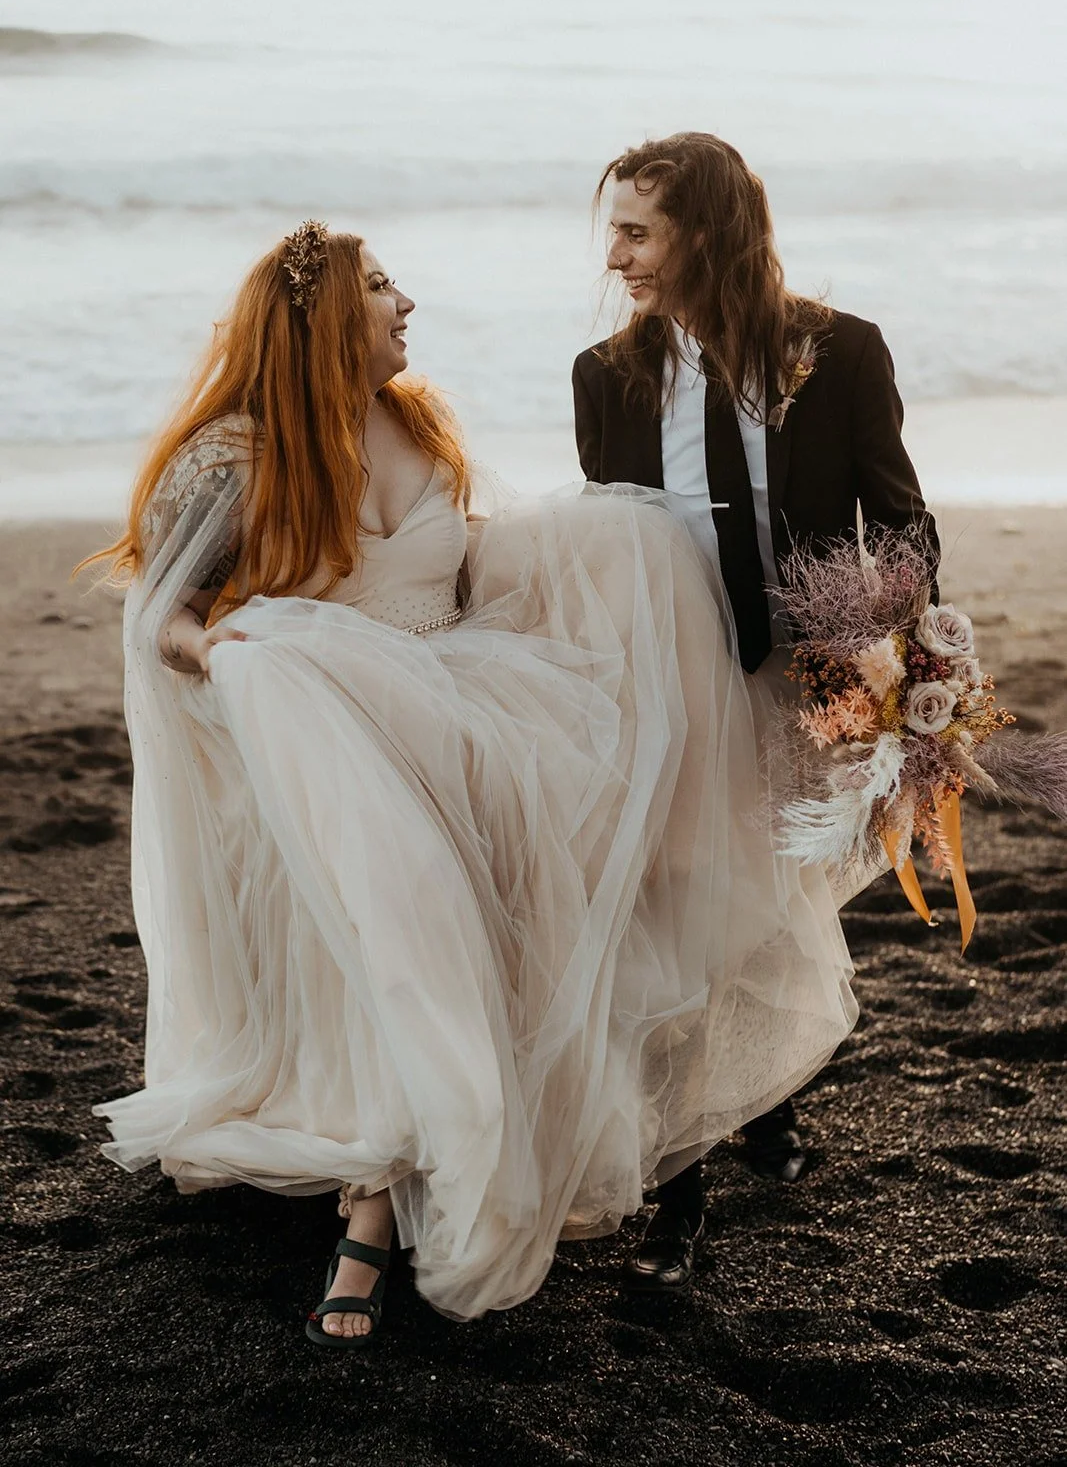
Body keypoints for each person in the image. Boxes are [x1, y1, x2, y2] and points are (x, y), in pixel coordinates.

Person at [87, 220, 858, 1347]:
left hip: (470, 698)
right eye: (384, 286)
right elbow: (163, 618)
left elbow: (469, 555)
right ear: (319, 316)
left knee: (605, 653)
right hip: (328, 724)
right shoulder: (233, 456)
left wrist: (606, 550)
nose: (409, 304)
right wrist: (242, 658)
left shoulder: (415, 418)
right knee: (402, 862)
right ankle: (370, 1204)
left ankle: (433, 1159)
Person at [574, 131, 939, 1292]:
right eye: (613, 230)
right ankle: (676, 1193)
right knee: (675, 914)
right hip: (669, 690)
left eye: (636, 230)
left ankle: (767, 1100)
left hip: (802, 686)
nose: (615, 256)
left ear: (708, 233)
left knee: (770, 903)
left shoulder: (840, 353)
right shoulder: (604, 376)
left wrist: (878, 630)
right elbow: (603, 551)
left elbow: (905, 524)